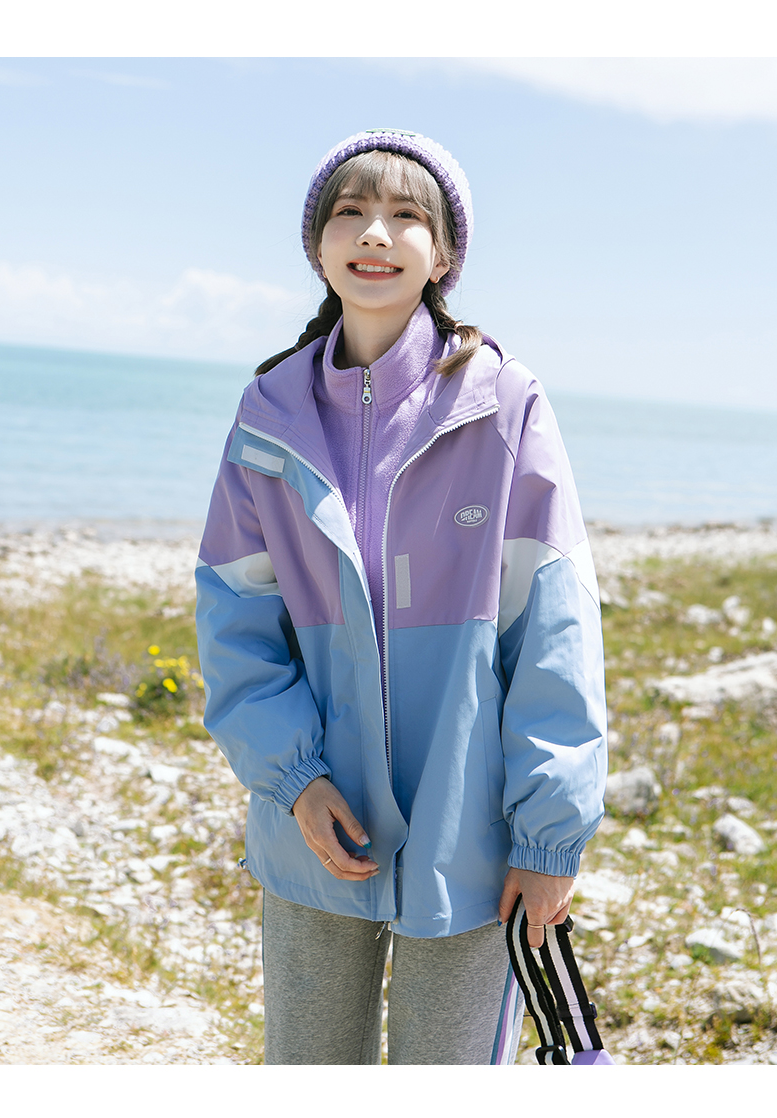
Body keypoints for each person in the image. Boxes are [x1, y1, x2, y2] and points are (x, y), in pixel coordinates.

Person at [195, 128, 607, 1065]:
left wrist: (548, 838)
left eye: (405, 215)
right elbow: (234, 620)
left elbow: (554, 627)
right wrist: (294, 781)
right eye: (350, 211)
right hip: (317, 827)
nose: (374, 233)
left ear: (444, 253)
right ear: (318, 246)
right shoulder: (268, 416)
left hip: (475, 838)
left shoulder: (503, 404)